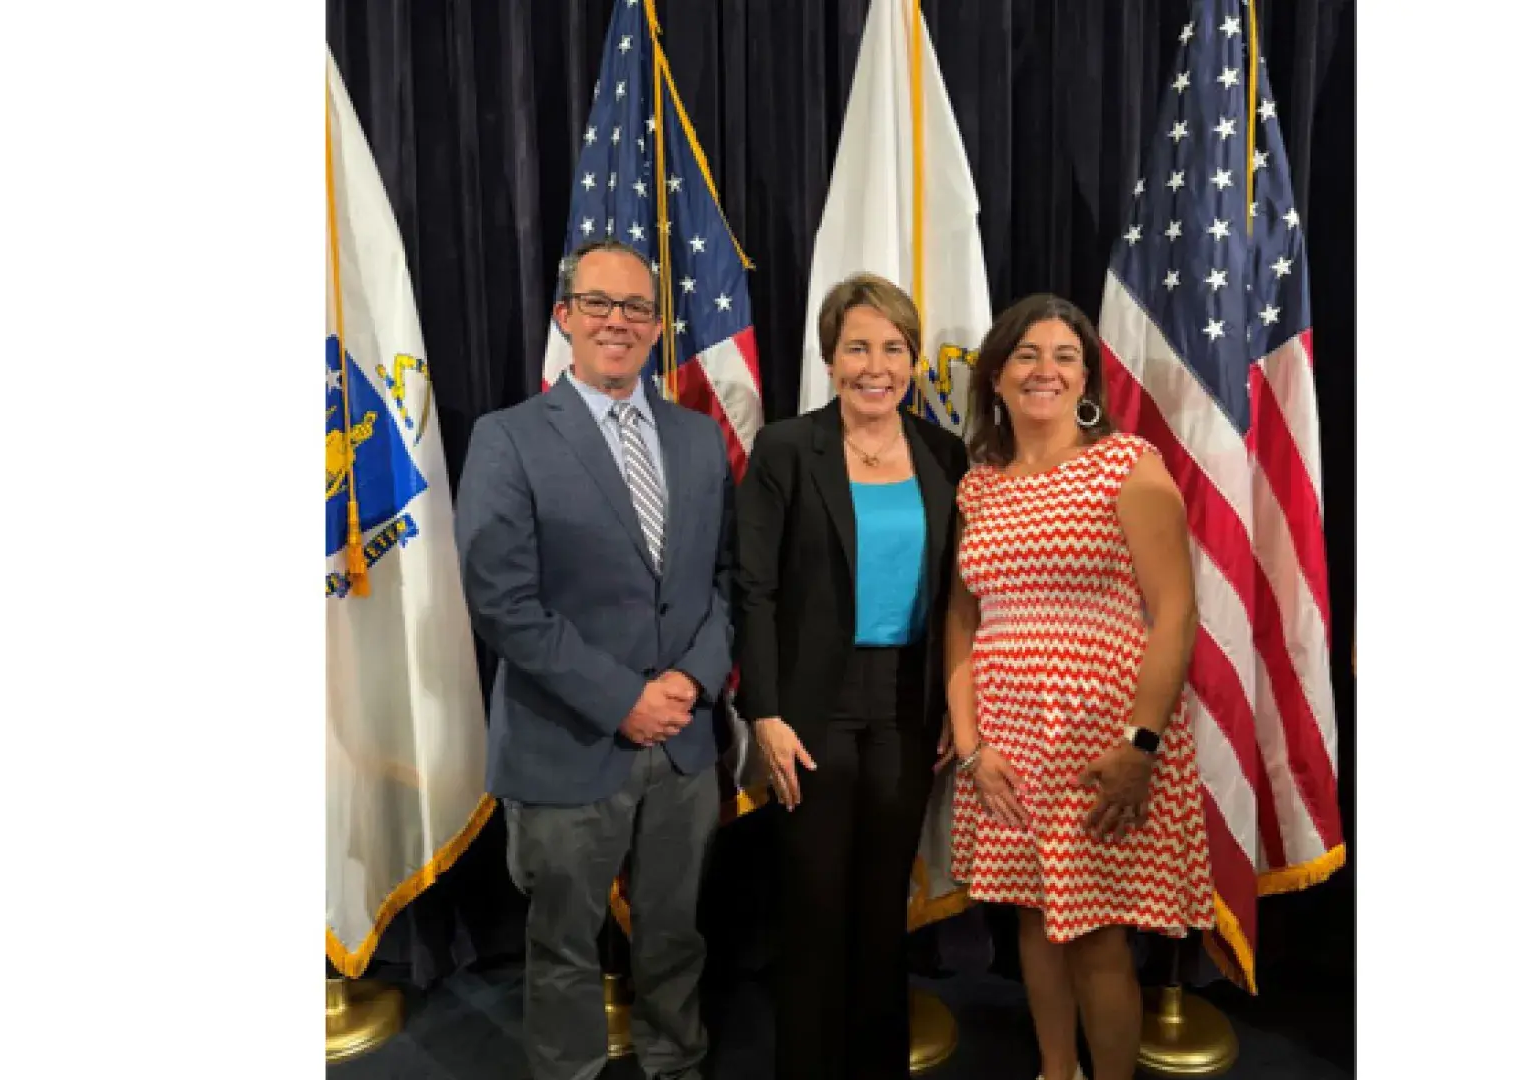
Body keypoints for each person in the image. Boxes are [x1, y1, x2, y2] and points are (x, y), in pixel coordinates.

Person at [453, 238, 735, 1080]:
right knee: (563, 948)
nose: (619, 321)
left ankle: (675, 1063)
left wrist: (691, 680)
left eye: (638, 307)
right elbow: (503, 603)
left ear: (656, 325)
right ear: (565, 317)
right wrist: (623, 700)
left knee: (675, 934)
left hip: (684, 744)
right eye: (600, 304)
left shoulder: (699, 439)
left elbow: (727, 579)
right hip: (566, 743)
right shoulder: (507, 439)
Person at [944, 294, 1214, 1080]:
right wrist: (972, 748)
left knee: (1095, 935)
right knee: (1035, 920)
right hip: (1010, 745)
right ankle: (1056, 1071)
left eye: (1066, 356)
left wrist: (1141, 745)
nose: (1047, 371)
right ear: (997, 376)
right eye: (1027, 354)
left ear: (1087, 379)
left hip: (1104, 742)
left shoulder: (1127, 465)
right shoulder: (978, 488)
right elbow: (962, 621)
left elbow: (1176, 612)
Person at [732, 273, 970, 1080]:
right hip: (811, 709)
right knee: (815, 907)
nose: (877, 366)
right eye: (858, 348)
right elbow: (754, 590)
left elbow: (957, 595)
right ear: (830, 358)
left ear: (913, 360)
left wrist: (954, 704)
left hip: (908, 705)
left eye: (894, 349)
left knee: (880, 909)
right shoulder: (787, 449)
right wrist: (764, 713)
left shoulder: (943, 453)